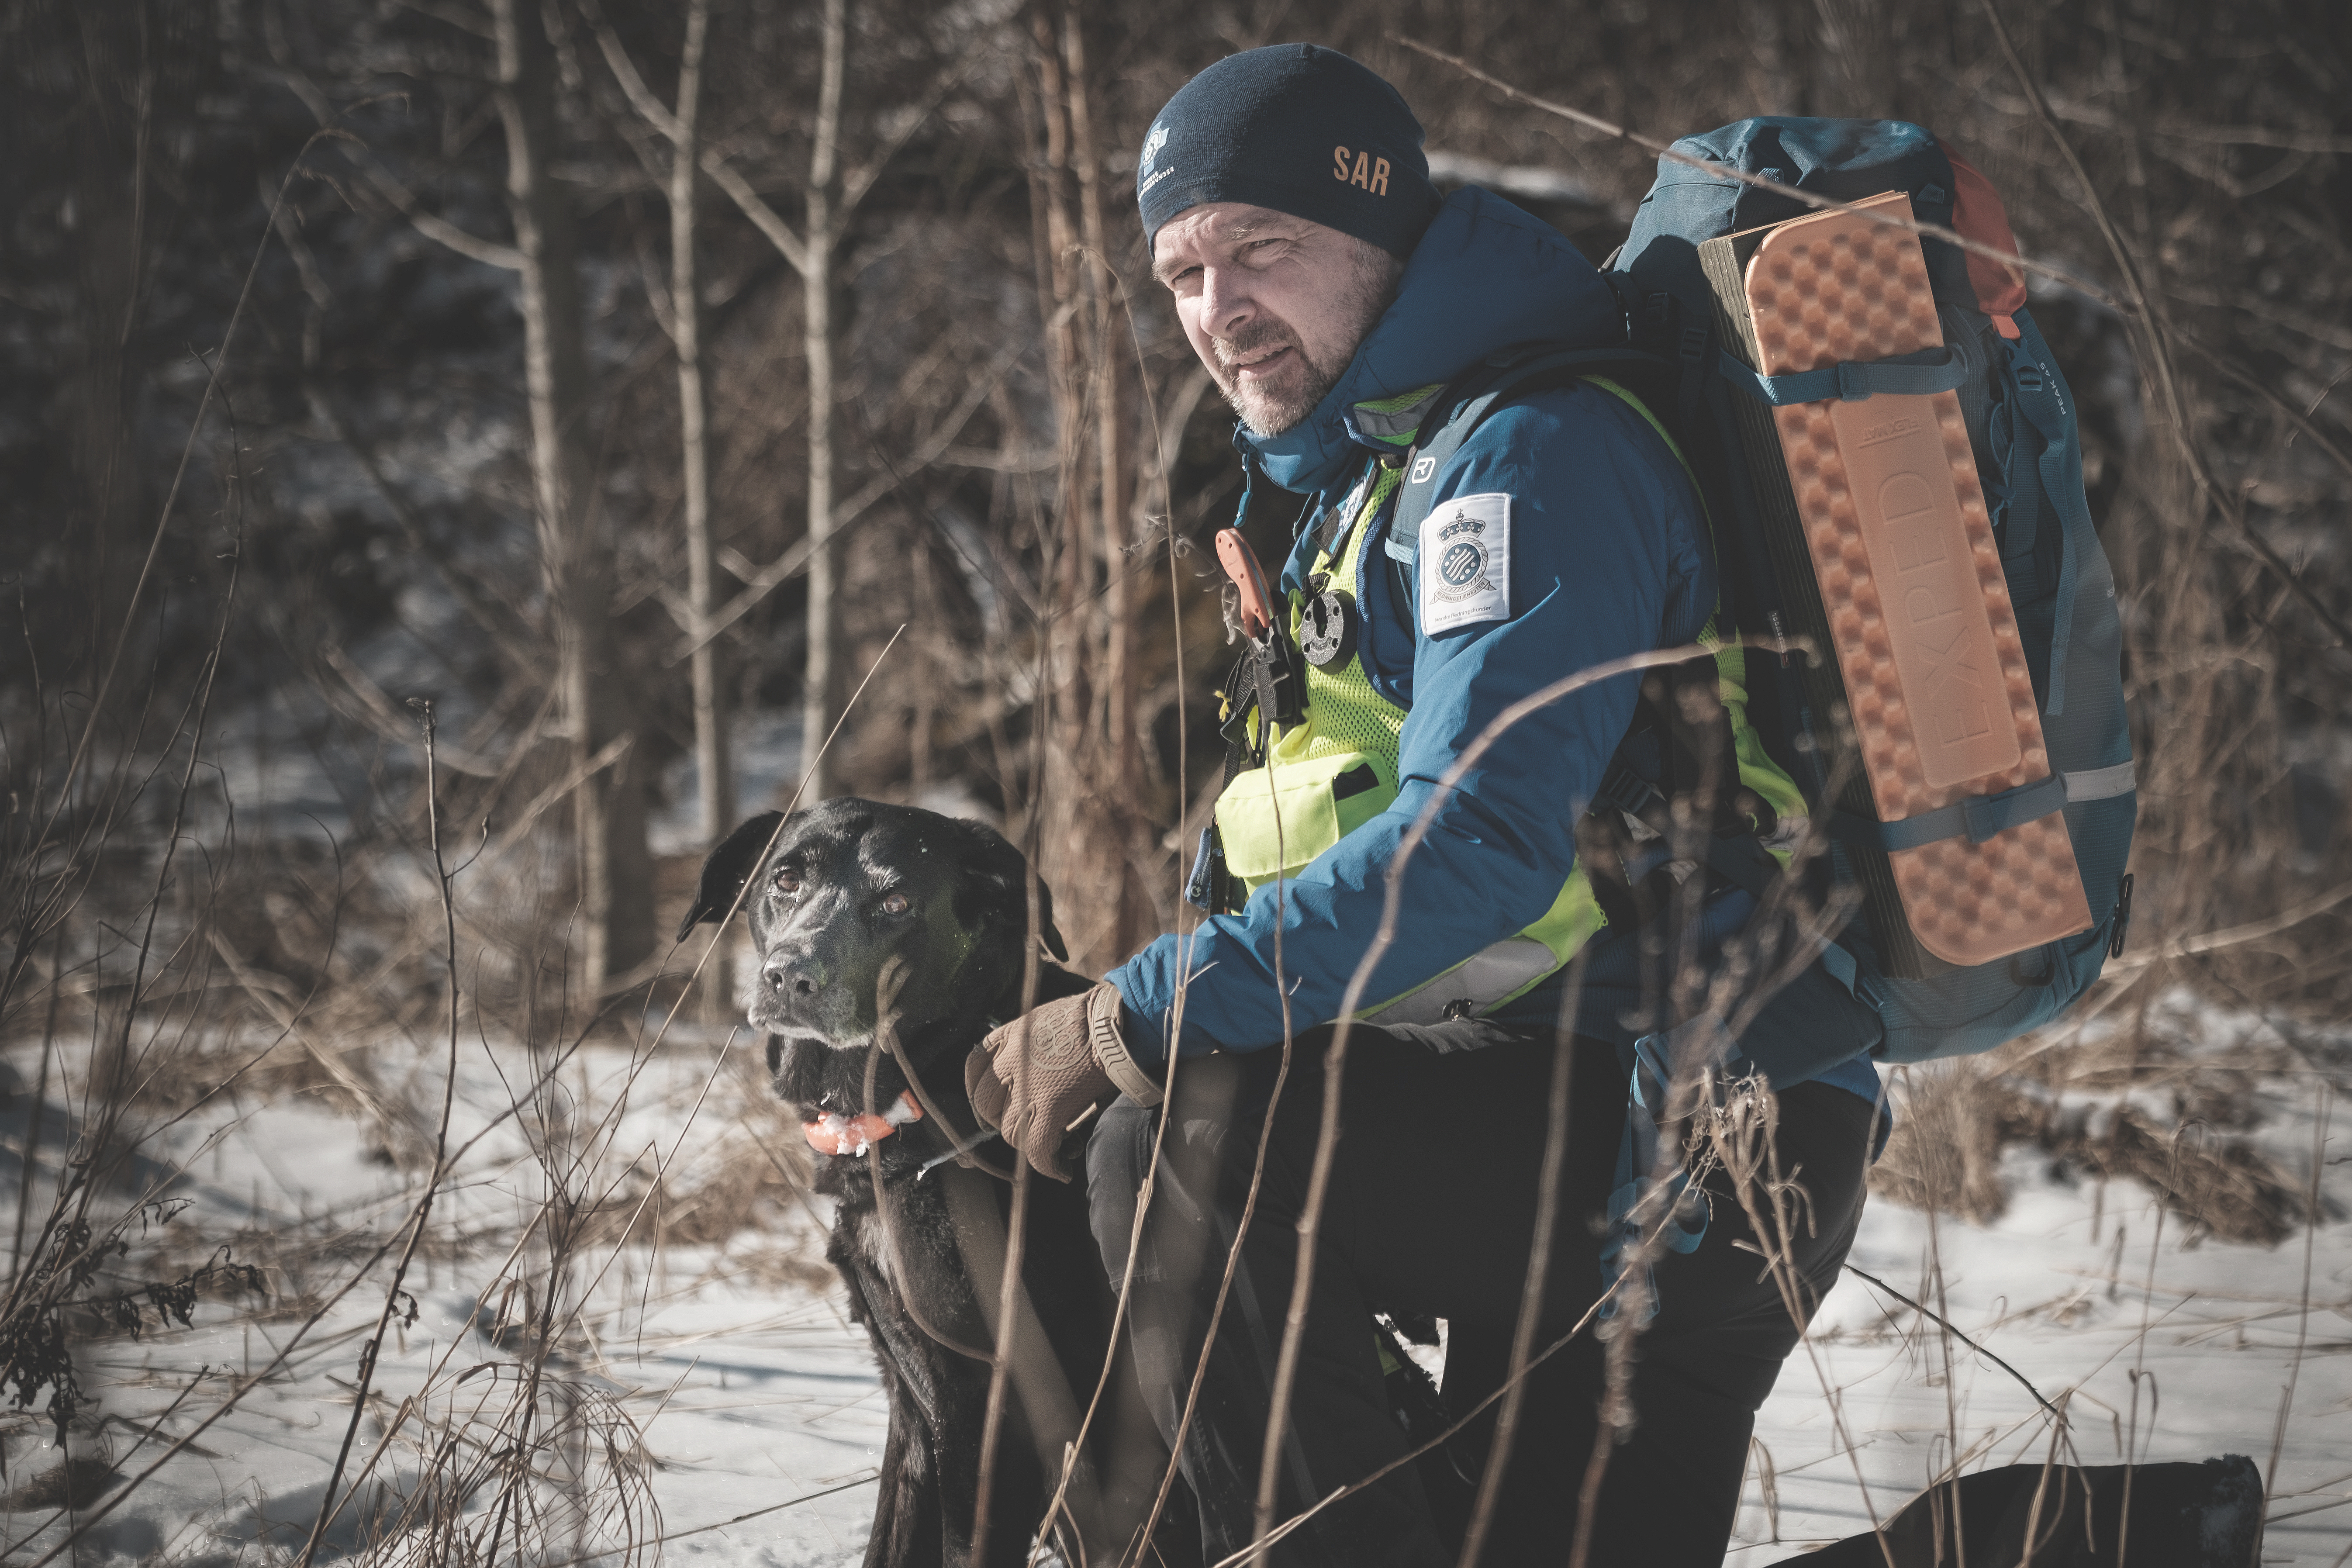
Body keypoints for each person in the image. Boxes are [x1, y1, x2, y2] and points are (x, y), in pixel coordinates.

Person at [967, 44, 1887, 1567]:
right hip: (1557, 1097)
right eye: (1183, 271)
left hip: (1694, 1131)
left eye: (1263, 249)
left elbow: (1475, 844)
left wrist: (1138, 1015)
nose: (1217, 310)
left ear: (1385, 234)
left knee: (1184, 1146)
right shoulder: (1376, 473)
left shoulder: (1530, 455)